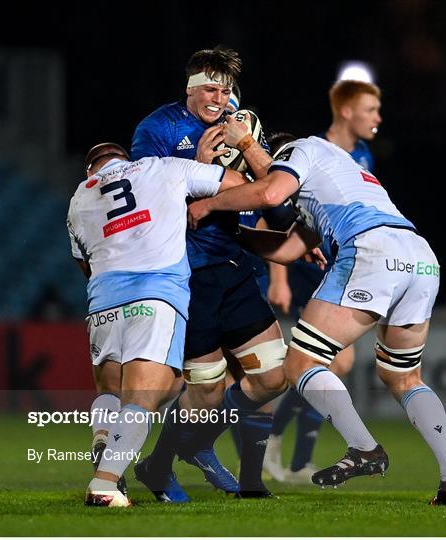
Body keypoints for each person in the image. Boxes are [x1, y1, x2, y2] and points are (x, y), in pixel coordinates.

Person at [187, 134, 446, 506]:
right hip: (419, 257)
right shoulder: (342, 178)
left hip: (372, 248)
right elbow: (288, 249)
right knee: (403, 376)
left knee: (301, 362)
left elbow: (270, 193)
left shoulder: (301, 148)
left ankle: (363, 447)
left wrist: (209, 205)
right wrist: (233, 233)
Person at [131, 46, 288, 499]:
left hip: (235, 266)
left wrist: (247, 143)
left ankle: (198, 448)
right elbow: (147, 203)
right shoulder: (158, 129)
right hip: (189, 271)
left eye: (226, 90)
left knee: (274, 376)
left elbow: (271, 189)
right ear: (190, 88)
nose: (219, 99)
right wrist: (197, 168)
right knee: (207, 391)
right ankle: (159, 465)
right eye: (210, 89)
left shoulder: (239, 124)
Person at [67, 142, 247, 506]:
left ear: (91, 171)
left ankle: (104, 434)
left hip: (102, 300)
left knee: (125, 388)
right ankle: (105, 483)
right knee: (145, 397)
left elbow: (82, 263)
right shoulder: (161, 167)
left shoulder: (78, 199)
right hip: (155, 296)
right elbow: (235, 181)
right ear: (125, 160)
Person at [264, 80, 383, 483]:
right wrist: (278, 278)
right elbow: (273, 214)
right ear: (346, 112)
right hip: (303, 267)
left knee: (326, 364)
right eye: (371, 109)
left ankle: (293, 457)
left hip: (342, 266)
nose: (378, 119)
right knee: (329, 361)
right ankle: (277, 443)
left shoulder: (363, 155)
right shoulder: (310, 149)